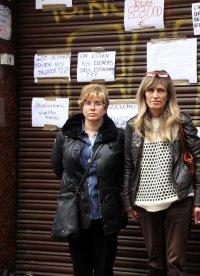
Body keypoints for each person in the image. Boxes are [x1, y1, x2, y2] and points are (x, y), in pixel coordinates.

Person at [121, 70, 200, 275]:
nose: (155, 95)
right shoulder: (133, 126)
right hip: (144, 203)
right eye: (150, 90)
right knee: (154, 263)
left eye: (160, 90)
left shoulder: (181, 121)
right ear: (143, 94)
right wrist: (127, 202)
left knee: (175, 262)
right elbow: (128, 166)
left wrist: (199, 200)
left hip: (178, 200)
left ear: (168, 95)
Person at [51, 84, 127, 276]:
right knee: (81, 269)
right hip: (76, 213)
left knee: (104, 268)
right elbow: (58, 168)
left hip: (106, 214)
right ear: (81, 106)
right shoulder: (66, 136)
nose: (92, 107)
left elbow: (125, 171)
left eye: (98, 103)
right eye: (88, 103)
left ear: (105, 107)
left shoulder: (118, 136)